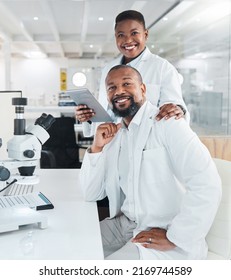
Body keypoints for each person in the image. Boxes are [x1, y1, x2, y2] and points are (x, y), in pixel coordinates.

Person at [79, 65, 221, 260]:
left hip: (164, 232)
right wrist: (96, 149)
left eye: (127, 84)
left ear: (143, 89)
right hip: (126, 224)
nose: (119, 91)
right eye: (111, 87)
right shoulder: (116, 135)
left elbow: (207, 183)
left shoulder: (168, 123)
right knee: (71, 243)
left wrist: (176, 237)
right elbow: (91, 193)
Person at [76, 10, 188, 136]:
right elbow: (107, 110)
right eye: (121, 35)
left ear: (145, 34)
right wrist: (89, 117)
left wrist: (178, 109)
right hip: (111, 141)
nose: (128, 40)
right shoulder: (108, 69)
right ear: (116, 37)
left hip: (145, 141)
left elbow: (176, 109)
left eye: (134, 33)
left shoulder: (163, 68)